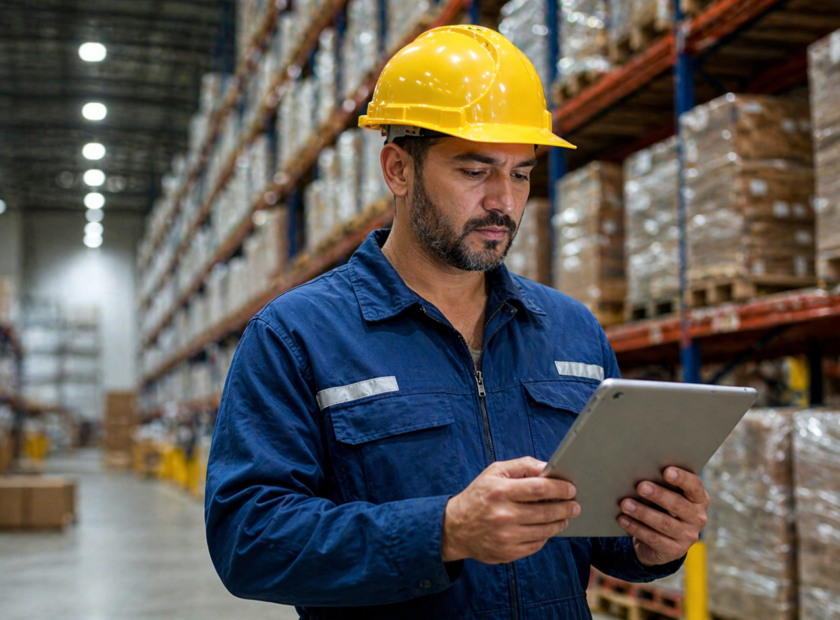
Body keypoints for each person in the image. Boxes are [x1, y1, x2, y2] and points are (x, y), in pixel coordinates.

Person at [205, 25, 709, 619]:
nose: (504, 200)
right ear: (398, 169)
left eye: (520, 173)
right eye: (476, 171)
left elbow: (598, 533)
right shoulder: (297, 336)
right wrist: (443, 531)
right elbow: (249, 541)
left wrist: (652, 542)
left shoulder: (572, 331)